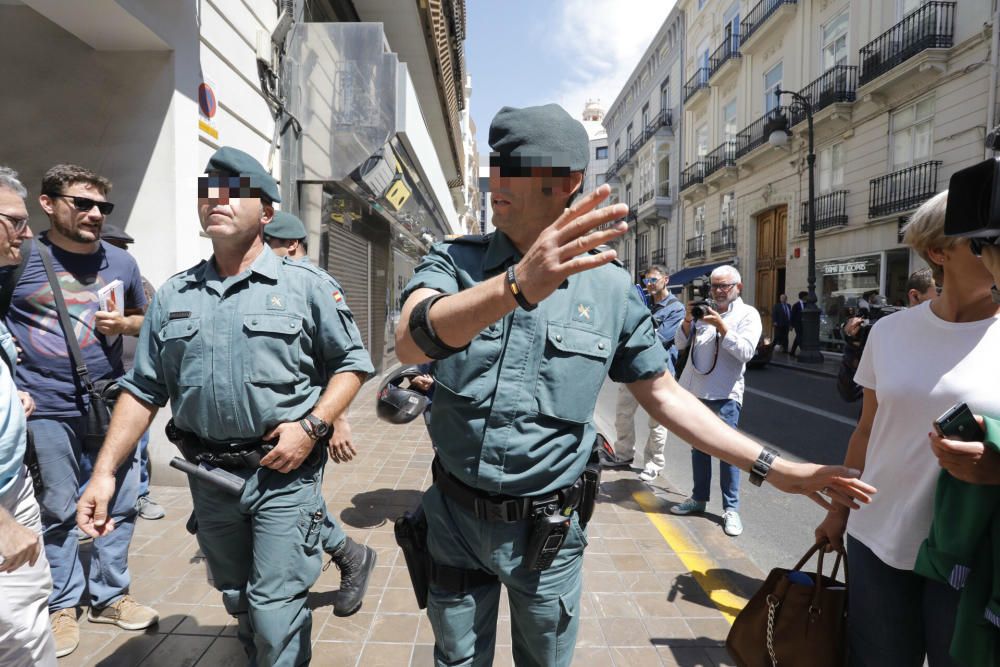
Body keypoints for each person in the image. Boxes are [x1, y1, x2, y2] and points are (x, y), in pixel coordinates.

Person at [395, 103, 875, 667]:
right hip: (454, 521)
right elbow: (410, 341)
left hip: (546, 537)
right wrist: (516, 285)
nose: (495, 182)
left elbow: (667, 397)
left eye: (515, 168)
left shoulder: (610, 288)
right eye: (494, 166)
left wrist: (778, 468)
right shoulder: (456, 261)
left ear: (568, 183)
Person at [75, 147, 375, 665]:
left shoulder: (307, 286)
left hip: (285, 473)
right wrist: (105, 472)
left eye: (234, 192)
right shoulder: (173, 295)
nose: (215, 201)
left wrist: (313, 425)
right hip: (208, 475)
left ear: (265, 212)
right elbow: (144, 389)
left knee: (277, 605)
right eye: (207, 192)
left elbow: (352, 363)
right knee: (237, 593)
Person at [813, 191, 1000, 667]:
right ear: (940, 252)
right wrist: (839, 511)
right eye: (985, 242)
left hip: (969, 551)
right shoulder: (889, 332)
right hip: (878, 538)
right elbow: (867, 430)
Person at [0, 164, 156, 658]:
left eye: (102, 207)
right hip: (44, 407)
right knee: (58, 508)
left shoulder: (122, 263)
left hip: (110, 402)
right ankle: (63, 604)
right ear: (48, 204)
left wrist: (126, 325)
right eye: (82, 204)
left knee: (122, 501)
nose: (94, 214)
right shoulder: (20, 257)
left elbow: (147, 318)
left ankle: (111, 594)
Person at [261, 208, 377, 617]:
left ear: (290, 245)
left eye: (267, 245)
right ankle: (351, 556)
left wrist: (337, 421)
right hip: (270, 428)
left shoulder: (314, 286)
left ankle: (351, 558)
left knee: (297, 507)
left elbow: (340, 362)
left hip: (307, 424)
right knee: (291, 506)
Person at [0, 166, 56, 667]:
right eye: (14, 222)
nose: (25, 232)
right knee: (16, 625)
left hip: (12, 483)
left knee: (28, 612)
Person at [669, 265, 762, 537]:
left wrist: (722, 327)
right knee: (699, 449)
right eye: (715, 286)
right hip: (695, 392)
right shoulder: (703, 311)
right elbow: (680, 345)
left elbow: (746, 352)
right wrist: (688, 321)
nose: (719, 291)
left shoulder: (748, 315)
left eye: (724, 286)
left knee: (729, 454)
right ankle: (698, 499)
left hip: (726, 394)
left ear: (738, 288)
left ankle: (731, 509)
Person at [100, 224, 165, 521]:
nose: (120, 254)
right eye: (113, 247)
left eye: (122, 248)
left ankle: (139, 495)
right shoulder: (86, 284)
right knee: (103, 442)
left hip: (132, 375)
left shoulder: (140, 282)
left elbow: (154, 322)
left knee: (137, 442)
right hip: (99, 377)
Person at [612, 264, 685, 482]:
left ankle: (654, 463)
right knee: (623, 415)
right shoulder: (642, 303)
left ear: (666, 280)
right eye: (646, 281)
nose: (649, 285)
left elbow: (661, 339)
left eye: (653, 280)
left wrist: (639, 332)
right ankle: (623, 455)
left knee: (657, 422)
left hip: (658, 372)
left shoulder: (676, 309)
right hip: (632, 368)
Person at [836, 268, 937, 403]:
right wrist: (854, 346)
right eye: (941, 292)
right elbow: (851, 392)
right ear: (915, 296)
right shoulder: (886, 333)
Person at [789, 290, 807, 357]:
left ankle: (792, 352)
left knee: (797, 338)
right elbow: (792, 315)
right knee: (800, 337)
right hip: (797, 324)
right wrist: (791, 325)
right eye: (806, 296)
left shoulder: (808, 304)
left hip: (805, 324)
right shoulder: (796, 305)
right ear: (803, 297)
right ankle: (803, 351)